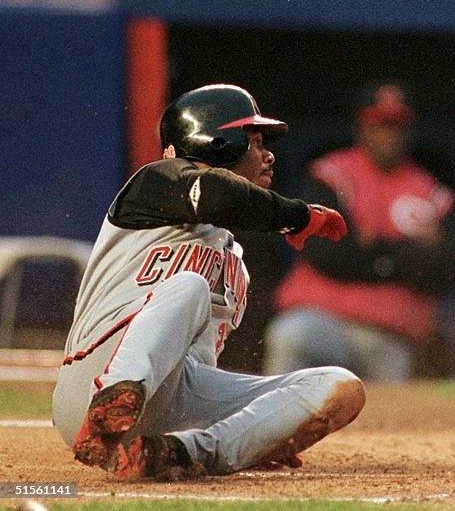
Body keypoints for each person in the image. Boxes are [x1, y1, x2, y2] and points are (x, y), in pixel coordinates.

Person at [51, 84, 362, 479]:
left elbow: (196, 366)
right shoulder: (153, 184)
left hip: (171, 399)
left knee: (338, 386)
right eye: (252, 140)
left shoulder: (234, 262)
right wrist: (298, 215)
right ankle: (109, 413)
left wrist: (260, 432)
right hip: (92, 382)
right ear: (216, 141)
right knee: (190, 286)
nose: (267, 154)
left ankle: (185, 453)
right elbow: (217, 193)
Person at [264, 83, 455, 382]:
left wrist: (371, 247)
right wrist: (399, 257)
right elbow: (325, 252)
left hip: (390, 336)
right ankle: (273, 426)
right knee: (289, 334)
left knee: (399, 407)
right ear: (362, 127)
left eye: (396, 125)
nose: (388, 134)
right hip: (323, 320)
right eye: (380, 125)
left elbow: (442, 267)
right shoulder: (332, 174)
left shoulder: (430, 191)